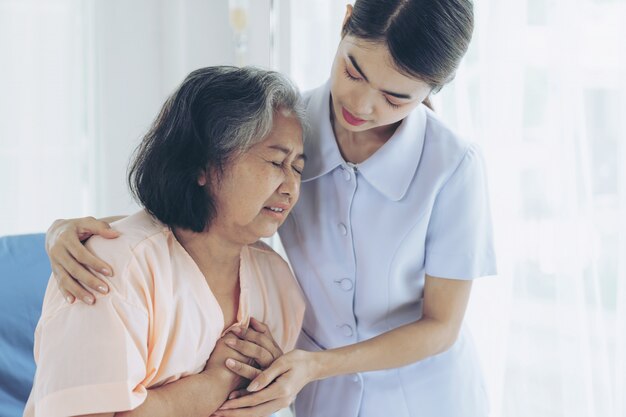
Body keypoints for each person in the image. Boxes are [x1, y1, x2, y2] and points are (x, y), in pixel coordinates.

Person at [45, 1, 497, 416]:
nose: (360, 105)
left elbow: (441, 325)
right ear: (344, 21)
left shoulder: (452, 167)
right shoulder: (286, 127)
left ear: (432, 90)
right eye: (353, 71)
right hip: (322, 398)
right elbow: (199, 203)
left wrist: (315, 366)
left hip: (426, 396)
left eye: (395, 97)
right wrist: (65, 231)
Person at [24, 66, 307, 417]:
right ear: (203, 165)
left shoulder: (278, 284)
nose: (291, 186)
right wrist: (217, 383)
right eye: (277, 161)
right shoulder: (108, 269)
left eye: (298, 167)